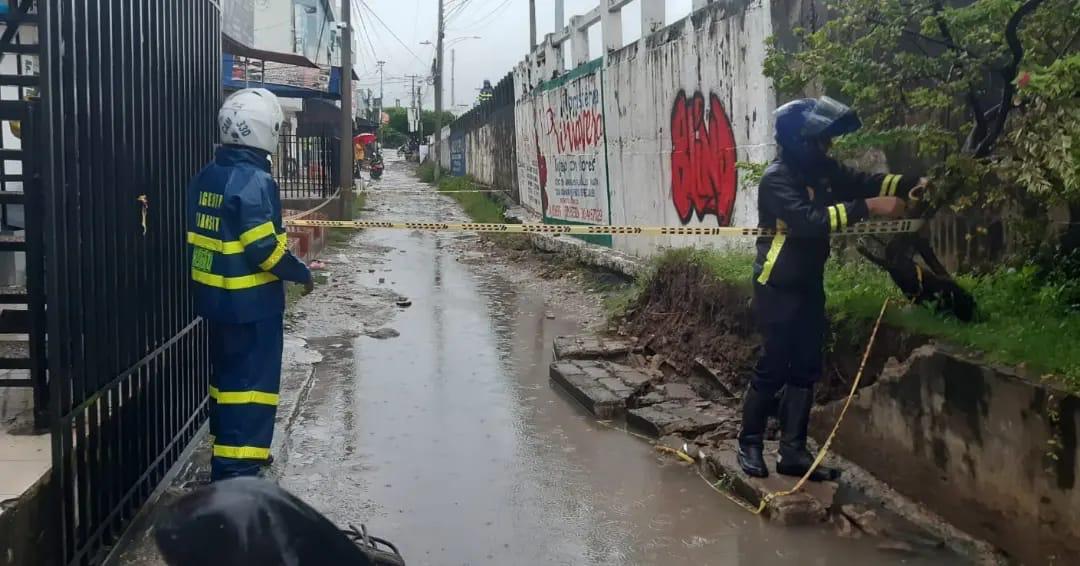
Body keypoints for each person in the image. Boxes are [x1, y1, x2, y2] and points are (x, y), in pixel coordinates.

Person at [737, 96, 922, 481]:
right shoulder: (777, 179)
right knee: (774, 365)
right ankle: (749, 443)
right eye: (822, 141)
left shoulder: (820, 171)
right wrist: (870, 206)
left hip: (808, 282)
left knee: (806, 366)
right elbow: (810, 221)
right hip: (777, 285)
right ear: (801, 142)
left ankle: (792, 453)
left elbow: (860, 181)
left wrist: (909, 184)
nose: (828, 148)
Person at [187, 88, 314, 481]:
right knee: (252, 390)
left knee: (225, 385)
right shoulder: (255, 181)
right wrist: (301, 272)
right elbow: (265, 250)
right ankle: (239, 469)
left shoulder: (207, 175)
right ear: (264, 131)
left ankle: (226, 457)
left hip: (214, 301)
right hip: (252, 307)